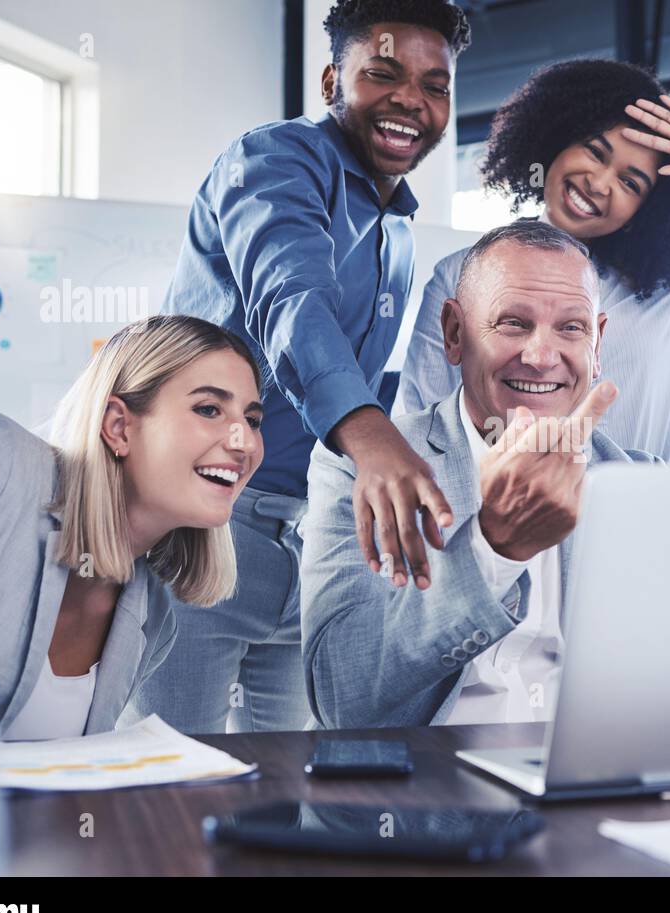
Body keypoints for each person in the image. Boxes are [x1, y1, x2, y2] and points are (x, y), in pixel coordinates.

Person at [129, 0, 472, 734]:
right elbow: (293, 302)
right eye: (383, 74)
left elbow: (374, 376)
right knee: (168, 791)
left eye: (436, 85)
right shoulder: (276, 161)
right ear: (329, 81)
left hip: (310, 540)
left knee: (288, 791)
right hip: (206, 531)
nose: (412, 99)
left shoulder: (400, 231)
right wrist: (373, 438)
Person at [300, 221, 662, 728]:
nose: (540, 357)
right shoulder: (361, 463)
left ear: (597, 344)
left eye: (571, 328)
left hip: (579, 790)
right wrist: (491, 550)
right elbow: (344, 697)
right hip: (414, 795)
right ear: (454, 334)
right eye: (513, 323)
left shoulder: (642, 483)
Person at [396, 58, 670, 464]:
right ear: (555, 138)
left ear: (649, 207)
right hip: (504, 518)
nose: (600, 184)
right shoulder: (461, 274)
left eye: (630, 183)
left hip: (652, 520)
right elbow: (427, 421)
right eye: (594, 152)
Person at [0, 315, 264, 739]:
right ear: (118, 426)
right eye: (209, 409)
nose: (244, 443)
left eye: (252, 419)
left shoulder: (151, 615)